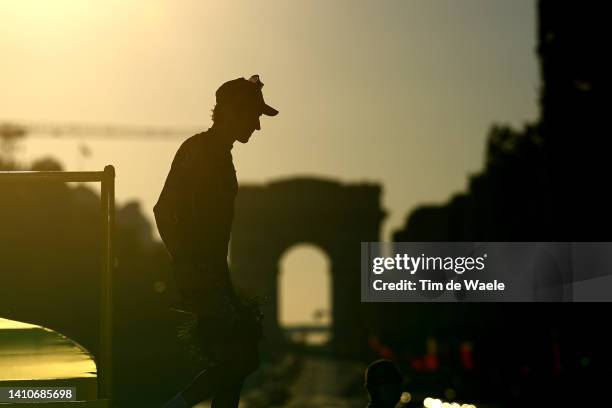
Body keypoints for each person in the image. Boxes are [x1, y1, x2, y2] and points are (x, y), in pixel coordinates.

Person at [154, 74, 278, 408]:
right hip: (201, 275)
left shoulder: (216, 153)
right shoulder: (201, 151)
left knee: (234, 362)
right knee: (241, 359)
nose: (257, 126)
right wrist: (187, 268)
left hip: (212, 274)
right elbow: (163, 210)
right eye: (254, 116)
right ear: (235, 112)